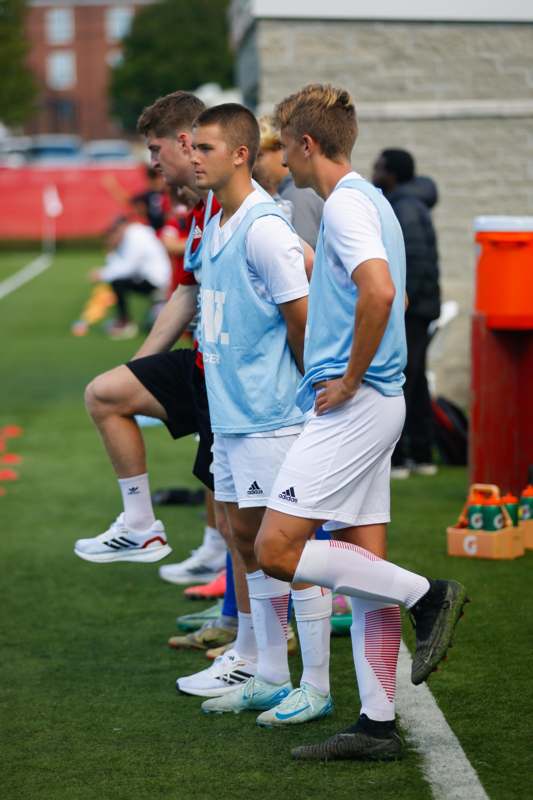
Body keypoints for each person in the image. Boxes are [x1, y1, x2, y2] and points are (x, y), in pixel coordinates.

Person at [253, 84, 468, 760]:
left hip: (355, 403)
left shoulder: (346, 205)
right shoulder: (367, 200)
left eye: (284, 149)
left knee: (275, 552)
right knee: (359, 566)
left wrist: (347, 376)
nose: (282, 163)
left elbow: (378, 291)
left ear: (306, 144)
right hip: (375, 402)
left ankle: (428, 595)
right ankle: (377, 725)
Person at [181, 103, 334, 725]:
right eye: (191, 148)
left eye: (206, 148)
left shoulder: (264, 228)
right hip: (232, 416)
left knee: (285, 550)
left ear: (241, 154)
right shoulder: (217, 221)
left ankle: (317, 686)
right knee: (244, 539)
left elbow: (302, 322)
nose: (194, 157)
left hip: (274, 417)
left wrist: (312, 400)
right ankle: (270, 673)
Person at [372, 149, 441, 478]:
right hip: (421, 306)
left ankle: (398, 458)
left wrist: (402, 301)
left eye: (379, 167)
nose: (373, 171)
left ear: (392, 173)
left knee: (403, 377)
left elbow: (409, 264)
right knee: (416, 378)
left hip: (413, 308)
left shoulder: (403, 208)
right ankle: (421, 453)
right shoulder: (409, 204)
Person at [90, 216, 170, 339]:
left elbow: (127, 267)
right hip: (154, 278)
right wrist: (111, 252)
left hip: (156, 281)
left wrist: (102, 274)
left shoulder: (134, 235)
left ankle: (125, 323)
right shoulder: (135, 234)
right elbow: (120, 264)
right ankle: (155, 309)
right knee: (118, 281)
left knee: (117, 283)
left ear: (121, 227)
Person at [253, 115, 323, 248]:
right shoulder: (290, 192)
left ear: (281, 149)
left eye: (260, 156)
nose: (254, 165)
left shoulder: (297, 194)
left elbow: (302, 258)